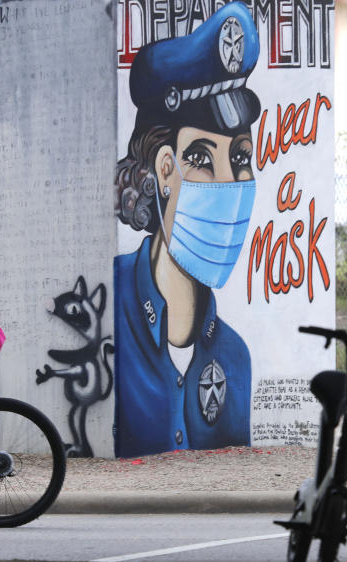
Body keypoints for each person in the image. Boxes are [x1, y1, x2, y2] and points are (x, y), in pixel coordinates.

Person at [113, 2, 258, 457]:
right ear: (164, 170)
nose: (230, 183)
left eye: (239, 159)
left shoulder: (233, 355)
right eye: (200, 158)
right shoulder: (106, 310)